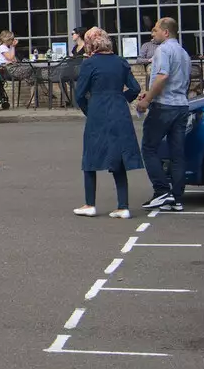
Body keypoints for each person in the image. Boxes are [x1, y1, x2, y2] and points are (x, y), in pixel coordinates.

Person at [72, 27, 143, 219]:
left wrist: (90, 109)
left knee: (90, 157)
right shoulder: (121, 62)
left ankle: (90, 204)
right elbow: (135, 88)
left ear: (90, 45)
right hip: (119, 111)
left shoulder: (89, 64)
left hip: (98, 110)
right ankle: (123, 206)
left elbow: (79, 95)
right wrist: (121, 99)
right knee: (118, 157)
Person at [136, 17, 191, 212]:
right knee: (177, 154)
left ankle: (161, 192)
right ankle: (177, 199)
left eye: (155, 31)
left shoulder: (163, 50)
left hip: (164, 106)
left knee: (149, 148)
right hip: (182, 105)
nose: (152, 34)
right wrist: (150, 91)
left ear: (166, 32)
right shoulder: (184, 53)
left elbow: (162, 76)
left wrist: (147, 100)